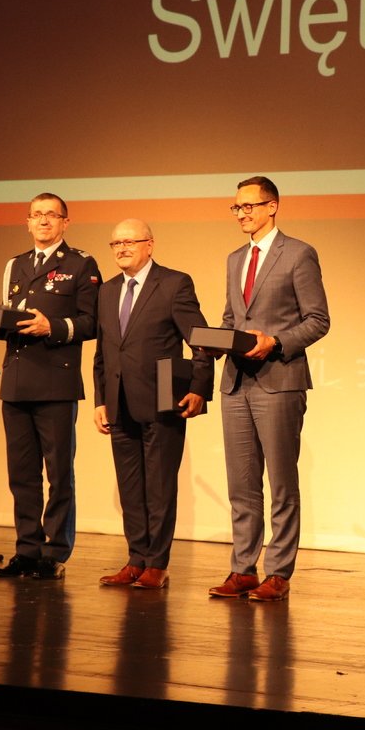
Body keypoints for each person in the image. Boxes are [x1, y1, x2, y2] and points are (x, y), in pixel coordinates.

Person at [208, 176, 329, 602]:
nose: (242, 214)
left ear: (272, 206)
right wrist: (215, 341)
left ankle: (278, 571)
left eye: (249, 206)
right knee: (241, 485)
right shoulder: (234, 258)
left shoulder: (298, 254)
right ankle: (243, 569)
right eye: (237, 207)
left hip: (279, 381)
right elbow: (231, 318)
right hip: (236, 382)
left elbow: (318, 320)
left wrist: (275, 342)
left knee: (281, 484)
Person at [93, 218, 213, 590]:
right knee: (130, 487)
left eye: (130, 241)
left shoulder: (174, 283)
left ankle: (157, 564)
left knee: (159, 487)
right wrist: (100, 400)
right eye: (116, 243)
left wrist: (199, 387)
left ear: (150, 244)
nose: (122, 248)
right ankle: (136, 560)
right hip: (119, 402)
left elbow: (201, 340)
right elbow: (103, 351)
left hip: (164, 399)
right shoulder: (107, 291)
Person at [0, 193, 99, 580]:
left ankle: (54, 551)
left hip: (56, 381)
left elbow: (92, 322)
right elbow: (12, 319)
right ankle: (27, 549)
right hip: (17, 381)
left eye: (52, 215)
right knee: (21, 474)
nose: (43, 221)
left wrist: (51, 327)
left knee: (58, 473)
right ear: (27, 221)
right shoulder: (15, 265)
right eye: (36, 215)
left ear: (65, 222)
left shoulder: (81, 263)